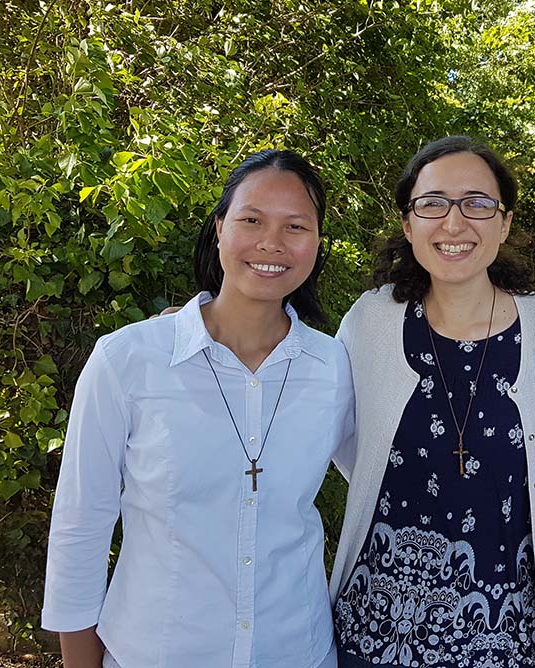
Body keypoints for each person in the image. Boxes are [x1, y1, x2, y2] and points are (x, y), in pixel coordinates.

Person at [42, 150, 354, 668]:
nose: (271, 243)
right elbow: (82, 522)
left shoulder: (334, 367)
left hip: (296, 650)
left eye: (295, 226)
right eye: (251, 220)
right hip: (154, 651)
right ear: (219, 228)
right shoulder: (129, 359)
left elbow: (381, 480)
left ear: (317, 244)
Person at [329, 136, 535, 668]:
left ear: (503, 224)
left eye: (477, 203)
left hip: (506, 636)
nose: (453, 223)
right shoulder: (370, 321)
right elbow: (335, 432)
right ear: (409, 225)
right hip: (373, 631)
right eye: (432, 204)